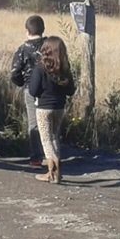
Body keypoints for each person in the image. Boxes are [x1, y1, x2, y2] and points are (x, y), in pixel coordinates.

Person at [29, 36, 76, 184]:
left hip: (43, 108)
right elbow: (71, 90)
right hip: (59, 108)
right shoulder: (65, 69)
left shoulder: (40, 68)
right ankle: (57, 172)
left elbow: (33, 90)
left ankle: (51, 168)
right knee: (55, 137)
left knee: (46, 139)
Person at [10, 15, 46, 166]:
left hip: (30, 89)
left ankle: (36, 157)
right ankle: (52, 155)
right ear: (43, 29)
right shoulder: (50, 46)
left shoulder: (23, 49)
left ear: (27, 31)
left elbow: (15, 72)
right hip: (49, 89)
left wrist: (21, 83)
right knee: (50, 122)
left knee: (34, 123)